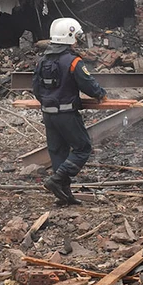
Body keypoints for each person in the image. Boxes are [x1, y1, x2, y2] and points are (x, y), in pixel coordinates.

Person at [32, 17, 107, 205]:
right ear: (70, 37)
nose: (77, 41)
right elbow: (88, 84)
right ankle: (56, 181)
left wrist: (47, 103)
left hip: (48, 116)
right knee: (83, 148)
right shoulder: (73, 61)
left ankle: (65, 196)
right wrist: (100, 94)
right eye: (76, 37)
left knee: (58, 152)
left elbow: (36, 89)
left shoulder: (42, 61)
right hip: (66, 115)